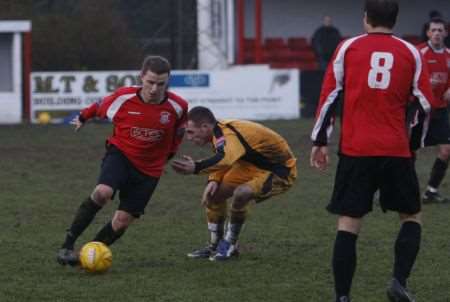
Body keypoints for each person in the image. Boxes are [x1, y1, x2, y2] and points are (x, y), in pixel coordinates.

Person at [310, 1, 437, 301]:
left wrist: (319, 141)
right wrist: (414, 142)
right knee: (411, 216)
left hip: (356, 150)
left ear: (366, 18)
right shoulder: (410, 52)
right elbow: (425, 103)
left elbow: (329, 96)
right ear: (395, 19)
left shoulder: (347, 48)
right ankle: (399, 282)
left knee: (349, 222)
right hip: (395, 149)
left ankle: (342, 297)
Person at [56, 55, 188, 266]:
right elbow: (98, 106)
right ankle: (67, 245)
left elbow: (178, 132)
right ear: (141, 77)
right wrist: (83, 117)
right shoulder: (123, 98)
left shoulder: (178, 106)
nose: (154, 88)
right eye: (150, 82)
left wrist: (170, 154)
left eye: (160, 84)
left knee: (122, 221)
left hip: (150, 170)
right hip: (121, 155)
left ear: (168, 81)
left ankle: (87, 255)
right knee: (102, 192)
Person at [170, 106, 297, 261]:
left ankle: (229, 244)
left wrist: (196, 167)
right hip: (249, 165)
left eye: (190, 132)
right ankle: (215, 245)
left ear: (204, 127)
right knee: (213, 195)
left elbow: (226, 158)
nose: (188, 137)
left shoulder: (227, 134)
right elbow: (228, 156)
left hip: (278, 170)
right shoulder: (218, 131)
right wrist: (214, 179)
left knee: (241, 194)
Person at [417, 18, 450, 203]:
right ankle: (387, 188)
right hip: (421, 110)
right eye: (434, 30)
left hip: (441, 111)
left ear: (445, 33)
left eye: (440, 30)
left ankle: (431, 190)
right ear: (428, 33)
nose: (437, 33)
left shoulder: (448, 55)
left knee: (446, 150)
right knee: (407, 151)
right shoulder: (419, 52)